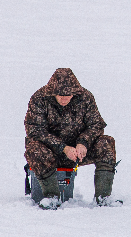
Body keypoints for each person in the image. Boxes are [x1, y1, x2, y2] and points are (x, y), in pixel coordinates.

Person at [24, 68, 117, 208]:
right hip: (50, 153)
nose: (64, 98)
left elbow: (96, 124)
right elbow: (34, 130)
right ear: (53, 92)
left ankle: (103, 198)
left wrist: (83, 143)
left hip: (78, 153)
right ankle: (51, 198)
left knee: (106, 142)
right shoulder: (39, 98)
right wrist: (63, 148)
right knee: (34, 149)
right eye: (60, 95)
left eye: (68, 95)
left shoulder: (85, 98)